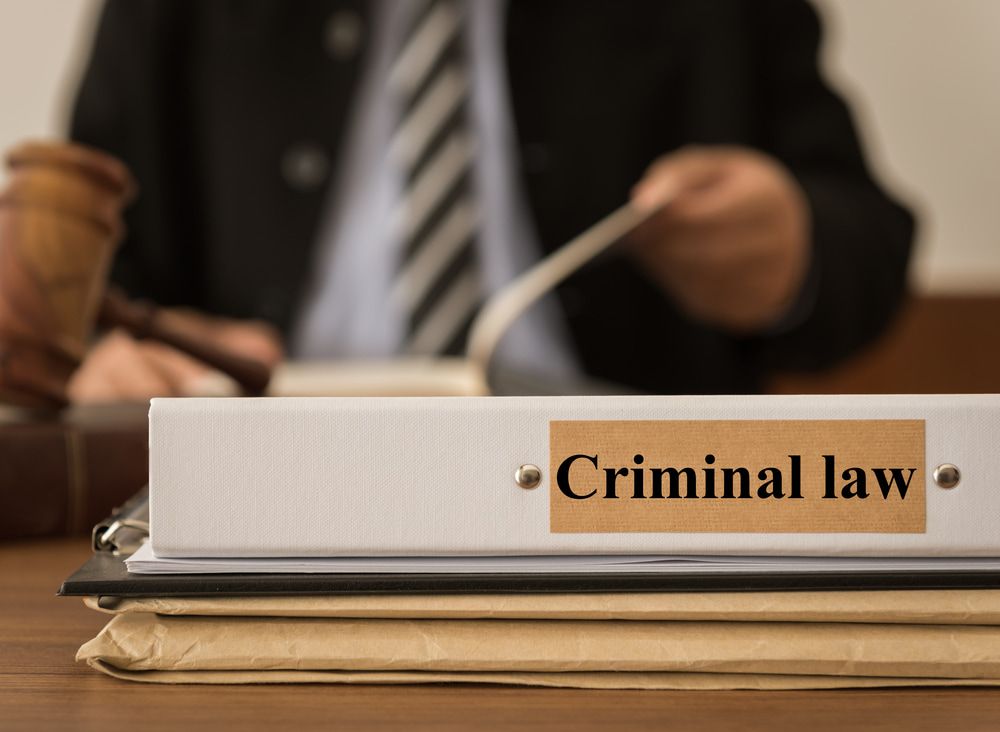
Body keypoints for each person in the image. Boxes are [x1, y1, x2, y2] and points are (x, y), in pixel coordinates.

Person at [67, 0, 914, 400]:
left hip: (628, 503)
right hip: (261, 484)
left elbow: (868, 246)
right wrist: (103, 355)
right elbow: (87, 270)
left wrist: (793, 248)